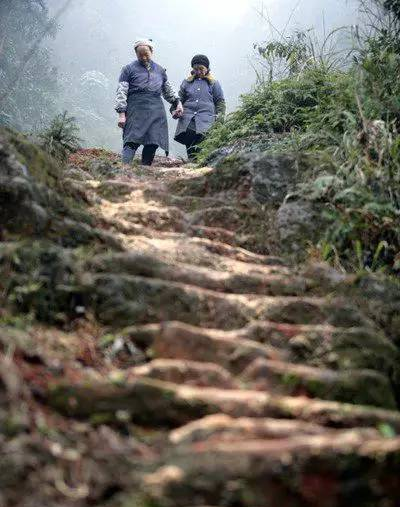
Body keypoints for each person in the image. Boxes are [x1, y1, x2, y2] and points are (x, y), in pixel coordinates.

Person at [115, 38, 183, 166]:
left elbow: (167, 90)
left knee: (153, 141)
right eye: (140, 55)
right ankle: (123, 170)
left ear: (152, 51)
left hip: (156, 109)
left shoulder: (160, 70)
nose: (144, 57)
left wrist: (177, 103)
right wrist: (121, 114)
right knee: (131, 139)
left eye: (146, 54)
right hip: (135, 107)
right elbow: (121, 92)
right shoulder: (128, 69)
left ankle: (145, 170)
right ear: (136, 54)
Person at [173, 54, 226, 161]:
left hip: (206, 120)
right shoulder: (187, 82)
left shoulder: (214, 83)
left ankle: (201, 165)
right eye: (196, 69)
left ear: (207, 68)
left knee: (203, 143)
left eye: (201, 69)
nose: (199, 72)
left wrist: (220, 117)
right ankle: (192, 164)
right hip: (188, 119)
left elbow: (220, 101)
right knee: (190, 142)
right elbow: (179, 99)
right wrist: (175, 110)